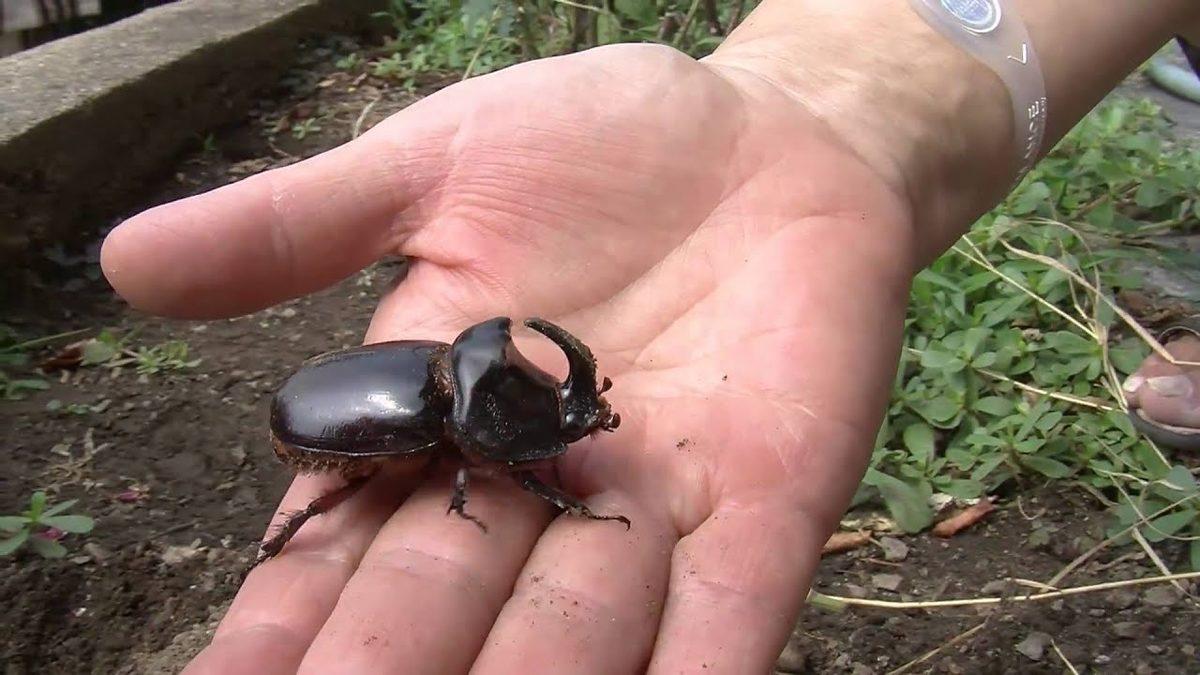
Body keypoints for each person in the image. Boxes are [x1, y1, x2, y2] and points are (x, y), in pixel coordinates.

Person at [98, 1, 1200, 672]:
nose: (571, 409)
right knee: (346, 499)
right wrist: (841, 100)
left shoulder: (469, 383)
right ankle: (279, 548)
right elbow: (487, 456)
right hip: (324, 423)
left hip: (374, 399)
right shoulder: (456, 429)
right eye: (556, 408)